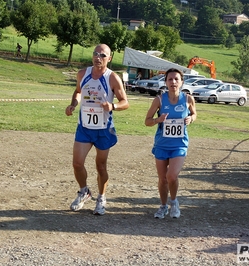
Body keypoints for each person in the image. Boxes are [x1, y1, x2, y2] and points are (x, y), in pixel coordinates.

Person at [65, 44, 129, 215]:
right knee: (77, 163)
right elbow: (78, 91)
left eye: (102, 55)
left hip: (103, 128)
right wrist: (73, 104)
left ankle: (101, 197)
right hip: (85, 126)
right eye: (95, 54)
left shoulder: (112, 78)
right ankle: (84, 191)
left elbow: (125, 102)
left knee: (100, 166)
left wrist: (112, 105)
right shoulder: (82, 74)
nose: (98, 57)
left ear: (109, 58)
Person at [144, 68, 197, 219]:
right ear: (165, 82)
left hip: (179, 144)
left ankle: (173, 202)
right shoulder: (159, 100)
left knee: (171, 176)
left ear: (181, 82)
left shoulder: (187, 99)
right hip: (161, 144)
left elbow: (194, 113)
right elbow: (147, 121)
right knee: (162, 179)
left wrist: (191, 119)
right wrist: (157, 120)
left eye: (176, 79)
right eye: (170, 79)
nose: (173, 82)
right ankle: (163, 206)